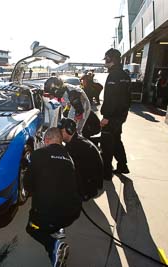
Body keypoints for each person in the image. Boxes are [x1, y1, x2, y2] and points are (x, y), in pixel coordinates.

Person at [24, 127, 82, 267]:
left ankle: (53, 246)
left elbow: (27, 185)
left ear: (46, 140)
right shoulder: (70, 158)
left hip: (48, 213)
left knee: (32, 228)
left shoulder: (38, 154)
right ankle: (57, 228)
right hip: (72, 213)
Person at [100, 48, 131, 180]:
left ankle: (106, 173)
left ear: (110, 59)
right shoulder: (125, 76)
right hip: (120, 116)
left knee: (107, 144)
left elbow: (111, 99)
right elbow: (127, 99)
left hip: (112, 117)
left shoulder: (113, 76)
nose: (105, 62)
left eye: (106, 59)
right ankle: (123, 165)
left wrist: (106, 117)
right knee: (116, 140)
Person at [58, 118, 103, 201]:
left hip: (89, 186)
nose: (59, 135)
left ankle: (83, 193)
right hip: (91, 180)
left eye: (61, 132)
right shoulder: (75, 141)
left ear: (69, 131)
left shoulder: (78, 147)